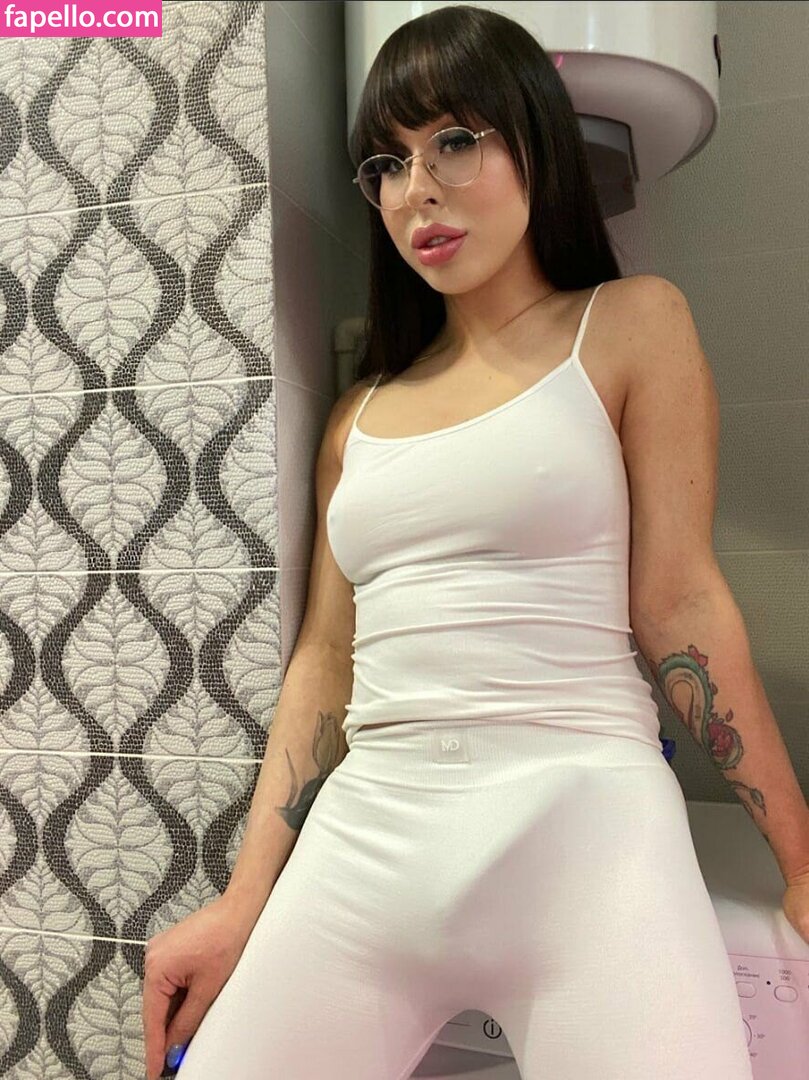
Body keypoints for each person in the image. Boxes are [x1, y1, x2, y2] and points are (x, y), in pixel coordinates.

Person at [142, 6, 755, 1079]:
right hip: (368, 837)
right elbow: (325, 661)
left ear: (535, 144)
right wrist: (242, 905)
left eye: (453, 142)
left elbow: (680, 602)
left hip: (587, 830)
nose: (413, 190)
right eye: (386, 163)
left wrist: (800, 862)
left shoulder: (630, 322)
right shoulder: (358, 416)